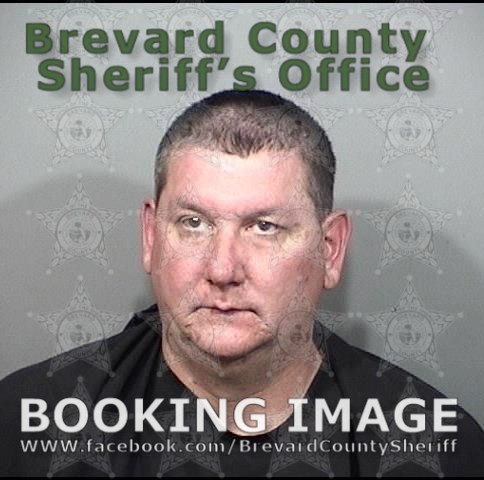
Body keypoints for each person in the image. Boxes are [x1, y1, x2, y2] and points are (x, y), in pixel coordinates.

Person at [1, 89, 483, 477]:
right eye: (193, 223)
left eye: (264, 227)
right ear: (150, 237)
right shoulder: (26, 425)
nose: (222, 269)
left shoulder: (434, 448)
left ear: (330, 249)